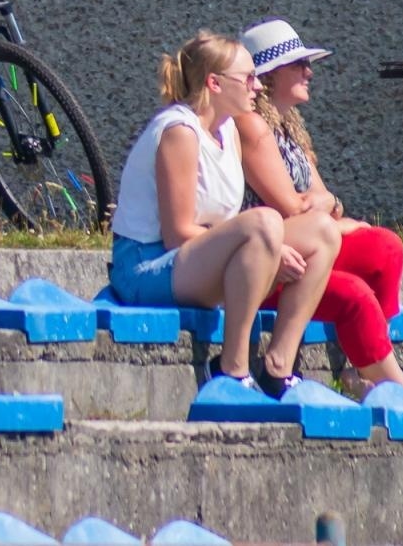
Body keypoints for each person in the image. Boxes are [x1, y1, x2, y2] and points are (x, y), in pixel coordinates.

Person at [109, 31, 341, 396]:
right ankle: (232, 370)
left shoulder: (228, 129)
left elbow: (223, 225)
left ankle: (277, 367)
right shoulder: (179, 132)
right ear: (214, 83)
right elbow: (178, 234)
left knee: (323, 231)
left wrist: (266, 244)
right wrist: (269, 248)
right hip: (146, 267)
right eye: (248, 78)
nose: (258, 87)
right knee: (266, 224)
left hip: (194, 260)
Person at [236, 18, 403, 403]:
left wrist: (327, 211)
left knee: (384, 247)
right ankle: (394, 384)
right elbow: (293, 205)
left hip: (306, 245)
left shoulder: (288, 126)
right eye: (299, 64)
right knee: (354, 293)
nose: (309, 71)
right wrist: (325, 211)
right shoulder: (251, 126)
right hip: (271, 261)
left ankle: (362, 366)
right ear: (270, 75)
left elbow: (325, 199)